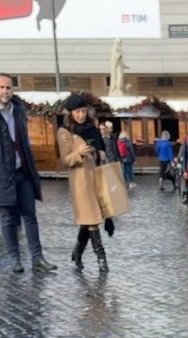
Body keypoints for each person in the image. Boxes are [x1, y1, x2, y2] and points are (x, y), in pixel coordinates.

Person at [0, 73, 56, 274]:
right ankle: (14, 259)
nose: (5, 91)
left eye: (8, 88)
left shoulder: (18, 111)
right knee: (7, 217)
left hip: (22, 171)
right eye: (2, 87)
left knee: (29, 214)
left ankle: (37, 258)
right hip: (0, 173)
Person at [56, 93, 109, 271]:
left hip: (96, 177)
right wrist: (78, 152)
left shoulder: (91, 128)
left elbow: (100, 145)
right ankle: (101, 258)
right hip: (80, 181)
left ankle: (78, 251)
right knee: (92, 219)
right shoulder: (64, 132)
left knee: (88, 220)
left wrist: (99, 150)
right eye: (77, 112)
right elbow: (65, 160)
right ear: (71, 113)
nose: (81, 116)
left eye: (83, 111)